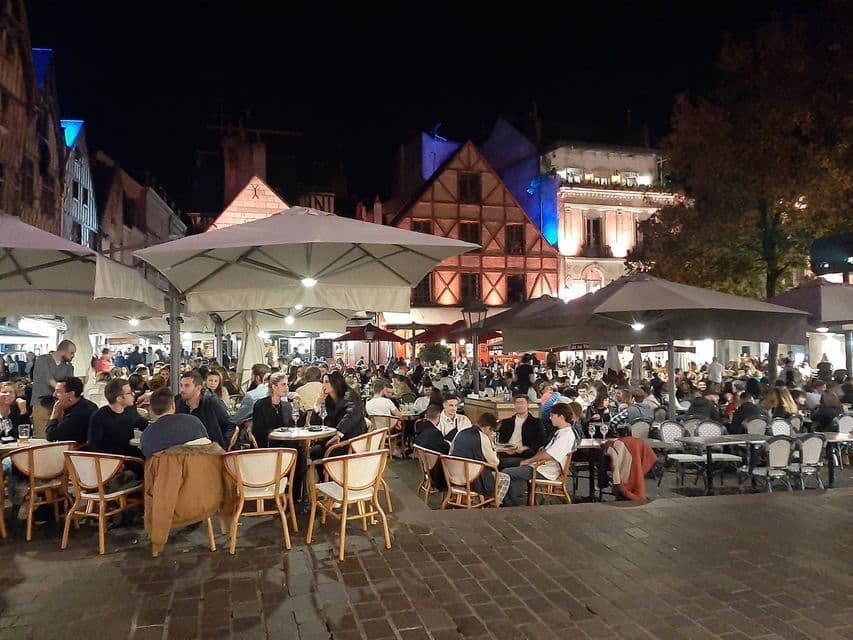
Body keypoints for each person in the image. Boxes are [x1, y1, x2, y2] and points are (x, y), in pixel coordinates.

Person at [502, 403, 578, 507]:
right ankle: (511, 499)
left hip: (545, 471)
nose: (550, 418)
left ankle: (512, 504)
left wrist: (528, 461)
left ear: (561, 416)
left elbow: (548, 455)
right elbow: (545, 451)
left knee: (506, 473)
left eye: (552, 415)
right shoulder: (560, 432)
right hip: (541, 465)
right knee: (505, 463)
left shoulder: (566, 436)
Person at [449, 412, 510, 505]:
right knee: (505, 478)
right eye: (492, 430)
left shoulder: (460, 432)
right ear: (488, 428)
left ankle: (481, 501)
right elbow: (495, 463)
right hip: (471, 479)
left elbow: (450, 452)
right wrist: (490, 442)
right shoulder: (483, 438)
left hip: (453, 476)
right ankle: (492, 505)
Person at [140, 387, 210, 457]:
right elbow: (207, 445)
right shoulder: (194, 422)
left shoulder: (147, 436)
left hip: (165, 467)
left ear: (151, 409)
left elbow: (148, 458)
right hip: (198, 466)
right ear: (173, 405)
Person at [87, 378, 147, 457]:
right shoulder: (99, 416)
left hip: (130, 455)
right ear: (119, 398)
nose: (133, 394)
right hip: (110, 459)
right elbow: (94, 446)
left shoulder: (130, 410)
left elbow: (143, 425)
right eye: (129, 393)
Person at [309, 370, 367, 452]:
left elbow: (351, 415)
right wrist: (317, 404)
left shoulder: (349, 395)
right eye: (323, 382)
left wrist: (338, 434)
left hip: (350, 441)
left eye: (326, 382)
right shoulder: (328, 399)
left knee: (315, 452)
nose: (323, 385)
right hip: (333, 438)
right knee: (312, 451)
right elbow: (315, 424)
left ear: (335, 383)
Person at [175, 370, 234, 449]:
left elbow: (230, 425)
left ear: (198, 387)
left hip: (210, 451)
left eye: (187, 386)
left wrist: (221, 447)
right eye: (181, 385)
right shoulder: (179, 402)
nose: (182, 389)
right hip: (186, 451)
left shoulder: (212, 403)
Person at [31, 340, 76, 437]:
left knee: (58, 437)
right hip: (41, 404)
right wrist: (60, 389)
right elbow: (48, 378)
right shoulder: (42, 359)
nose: (73, 356)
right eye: (72, 353)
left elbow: (70, 384)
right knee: (43, 438)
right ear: (63, 351)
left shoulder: (69, 367)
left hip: (59, 405)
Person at [497, 394, 546, 469]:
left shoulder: (536, 422)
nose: (519, 406)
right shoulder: (506, 422)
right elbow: (501, 440)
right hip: (507, 451)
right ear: (514, 405)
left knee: (501, 462)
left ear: (527, 405)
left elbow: (541, 440)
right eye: (517, 403)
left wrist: (526, 447)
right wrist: (506, 449)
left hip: (525, 453)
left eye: (522, 403)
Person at [45, 376, 97, 444]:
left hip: (81, 452)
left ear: (71, 394)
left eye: (58, 392)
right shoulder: (85, 405)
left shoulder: (79, 413)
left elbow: (51, 435)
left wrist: (56, 411)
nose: (54, 395)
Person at [251, 371, 294, 447]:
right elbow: (258, 431)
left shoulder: (287, 406)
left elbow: (292, 428)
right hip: (267, 445)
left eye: (287, 385)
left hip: (286, 446)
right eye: (283, 385)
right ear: (274, 387)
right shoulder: (261, 405)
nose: (286, 388)